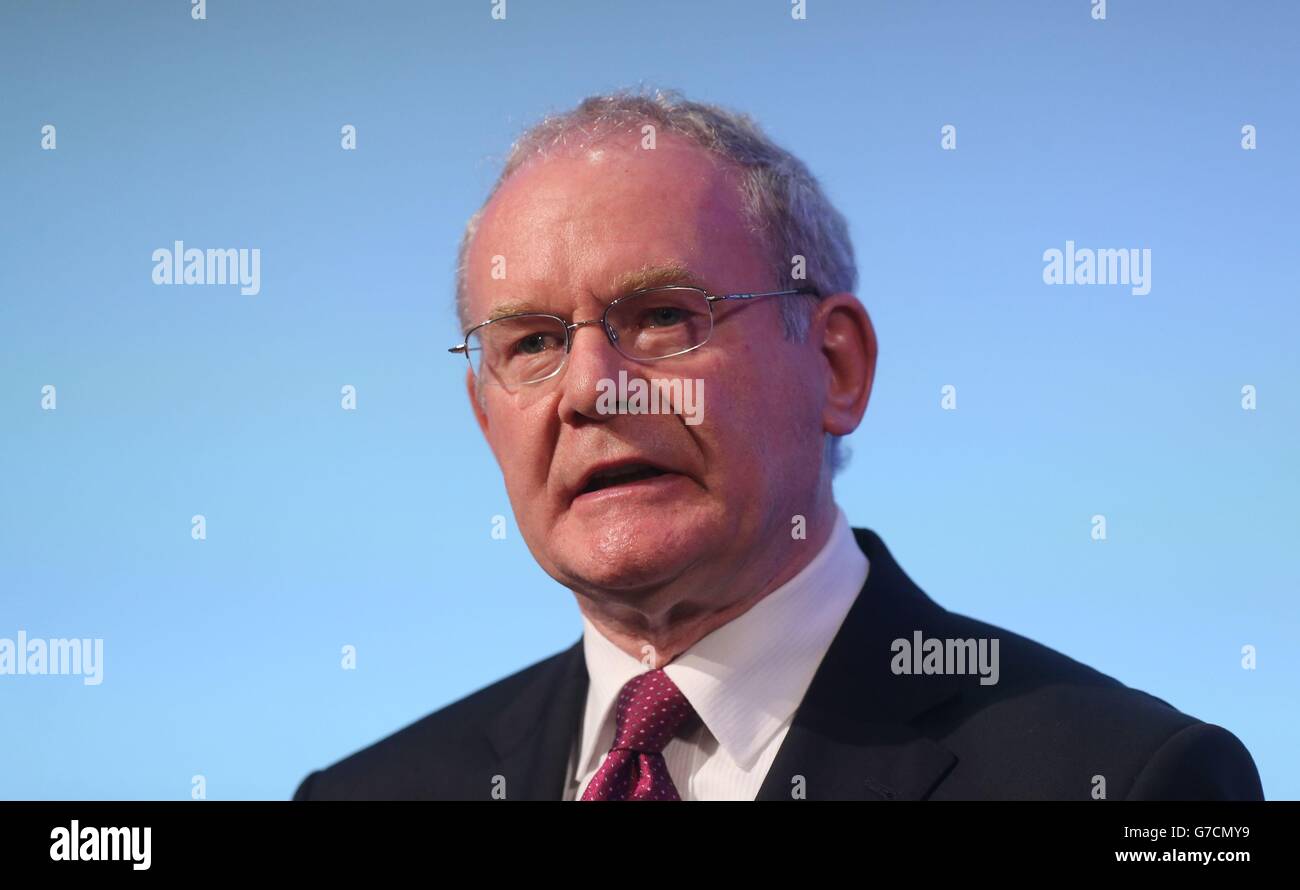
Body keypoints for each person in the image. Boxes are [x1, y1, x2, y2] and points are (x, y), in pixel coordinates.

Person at [293, 89, 1263, 801]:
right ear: (483, 415)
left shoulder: (1127, 781)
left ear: (836, 366)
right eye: (533, 342)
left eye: (665, 315)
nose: (592, 387)